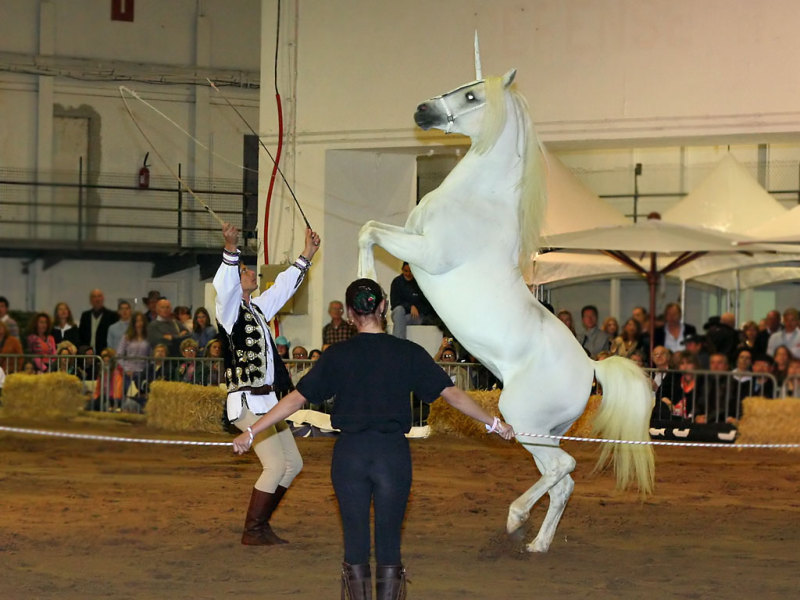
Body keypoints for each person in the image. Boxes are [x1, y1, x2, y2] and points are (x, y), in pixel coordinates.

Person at [232, 278, 514, 599]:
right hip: (392, 455)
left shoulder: (336, 355)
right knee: (389, 544)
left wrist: (252, 431)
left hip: (349, 455)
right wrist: (494, 422)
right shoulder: (408, 352)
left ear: (351, 313)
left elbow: (295, 399)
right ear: (382, 307)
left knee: (355, 545)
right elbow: (452, 395)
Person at [215, 221, 320, 547]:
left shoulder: (258, 309)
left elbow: (284, 287)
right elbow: (224, 286)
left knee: (294, 464)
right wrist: (231, 249)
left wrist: (307, 253)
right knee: (275, 465)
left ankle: (260, 525)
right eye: (246, 271)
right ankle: (253, 530)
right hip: (246, 403)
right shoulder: (228, 312)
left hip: (268, 403)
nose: (252, 275)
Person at [389, 262, 438, 339]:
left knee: (401, 321)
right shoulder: (397, 282)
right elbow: (394, 302)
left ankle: (398, 342)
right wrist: (410, 307)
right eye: (405, 271)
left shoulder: (419, 283)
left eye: (410, 271)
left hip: (414, 316)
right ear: (402, 270)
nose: (408, 274)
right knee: (399, 310)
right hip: (398, 313)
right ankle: (400, 341)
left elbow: (426, 304)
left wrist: (417, 309)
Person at [117, 311, 150, 408]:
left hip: (143, 372)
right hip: (128, 373)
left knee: (142, 397)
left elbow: (151, 355)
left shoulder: (148, 337)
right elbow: (119, 354)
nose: (139, 323)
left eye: (141, 321)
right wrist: (126, 369)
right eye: (136, 321)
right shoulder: (126, 337)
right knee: (127, 397)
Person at [78, 289, 119, 354]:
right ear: (90, 300)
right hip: (87, 355)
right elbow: (81, 336)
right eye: (94, 297)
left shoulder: (112, 316)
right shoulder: (85, 316)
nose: (97, 299)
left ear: (103, 298)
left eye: (99, 296)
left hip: (105, 354)